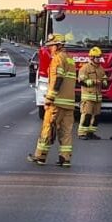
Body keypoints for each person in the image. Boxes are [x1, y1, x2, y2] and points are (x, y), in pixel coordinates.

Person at [28, 34, 76, 167]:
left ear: (59, 46)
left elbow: (58, 79)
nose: (50, 49)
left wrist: (49, 98)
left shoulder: (57, 59)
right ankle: (65, 158)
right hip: (69, 102)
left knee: (48, 128)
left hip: (57, 102)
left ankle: (40, 156)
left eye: (51, 46)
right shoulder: (70, 59)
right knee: (66, 131)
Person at [77, 47, 108, 140]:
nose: (99, 59)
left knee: (96, 117)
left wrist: (104, 82)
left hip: (98, 97)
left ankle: (91, 133)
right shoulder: (85, 68)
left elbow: (105, 80)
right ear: (91, 58)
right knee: (86, 115)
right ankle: (82, 133)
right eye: (97, 57)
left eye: (99, 57)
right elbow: (81, 81)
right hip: (88, 97)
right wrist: (94, 81)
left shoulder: (101, 68)